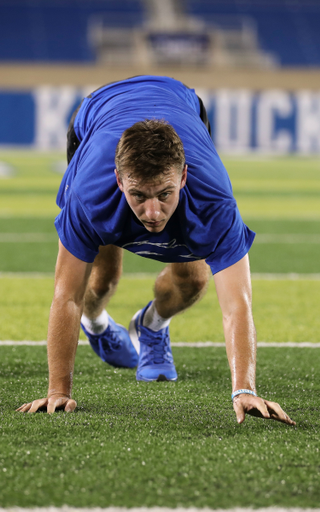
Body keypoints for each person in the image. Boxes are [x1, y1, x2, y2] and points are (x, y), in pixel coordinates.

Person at [17, 75, 295, 426]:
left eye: (165, 194)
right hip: (97, 111)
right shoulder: (88, 195)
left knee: (193, 281)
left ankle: (151, 325)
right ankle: (98, 323)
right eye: (138, 196)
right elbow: (66, 295)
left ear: (183, 178)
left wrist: (244, 389)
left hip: (183, 102)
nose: (152, 213)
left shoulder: (214, 202)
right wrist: (58, 390)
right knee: (101, 280)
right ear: (119, 181)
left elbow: (236, 305)